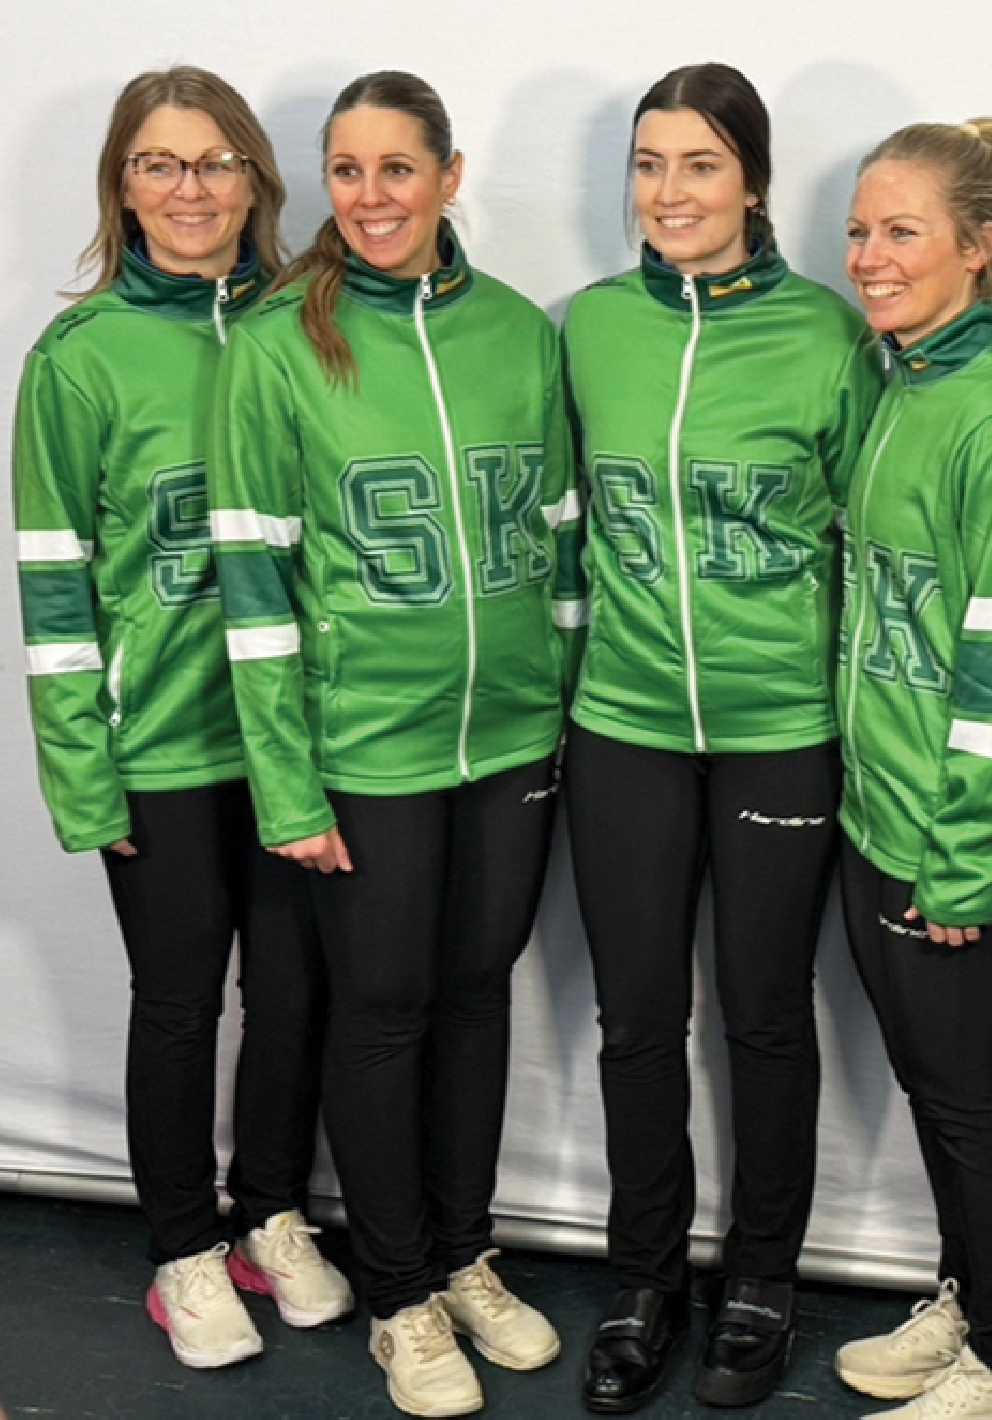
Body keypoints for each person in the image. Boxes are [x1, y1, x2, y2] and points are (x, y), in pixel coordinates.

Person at [207, 70, 581, 1418]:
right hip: (365, 749)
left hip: (512, 742)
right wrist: (286, 777)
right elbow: (252, 586)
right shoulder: (275, 346)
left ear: (450, 176)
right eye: (347, 171)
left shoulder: (519, 338)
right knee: (382, 1014)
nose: (371, 197)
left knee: (477, 998)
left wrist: (565, 700)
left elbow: (561, 539)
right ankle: (401, 1296)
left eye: (397, 169)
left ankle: (466, 1251)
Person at [12, 67, 352, 1370]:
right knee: (177, 1002)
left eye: (215, 162)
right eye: (159, 163)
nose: (190, 188)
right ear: (122, 185)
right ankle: (181, 1248)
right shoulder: (81, 356)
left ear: (256, 180)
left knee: (294, 991)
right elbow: (51, 586)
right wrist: (85, 782)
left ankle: (271, 1212)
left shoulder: (302, 326)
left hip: (297, 745)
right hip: (157, 745)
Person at [563, 61, 883, 1414]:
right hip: (622, 725)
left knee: (763, 1016)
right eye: (647, 163)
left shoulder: (829, 334)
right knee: (637, 1021)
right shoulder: (582, 329)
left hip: (778, 732)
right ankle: (645, 1276)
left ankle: (762, 1273)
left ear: (751, 178)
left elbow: (875, 545)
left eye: (698, 163)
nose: (668, 191)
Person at [831, 121, 992, 1420]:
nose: (868, 257)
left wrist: (965, 861)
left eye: (902, 231)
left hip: (962, 835)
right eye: (861, 230)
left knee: (971, 1100)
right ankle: (971, 1300)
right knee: (934, 1089)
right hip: (885, 814)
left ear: (980, 250)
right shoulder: (900, 386)